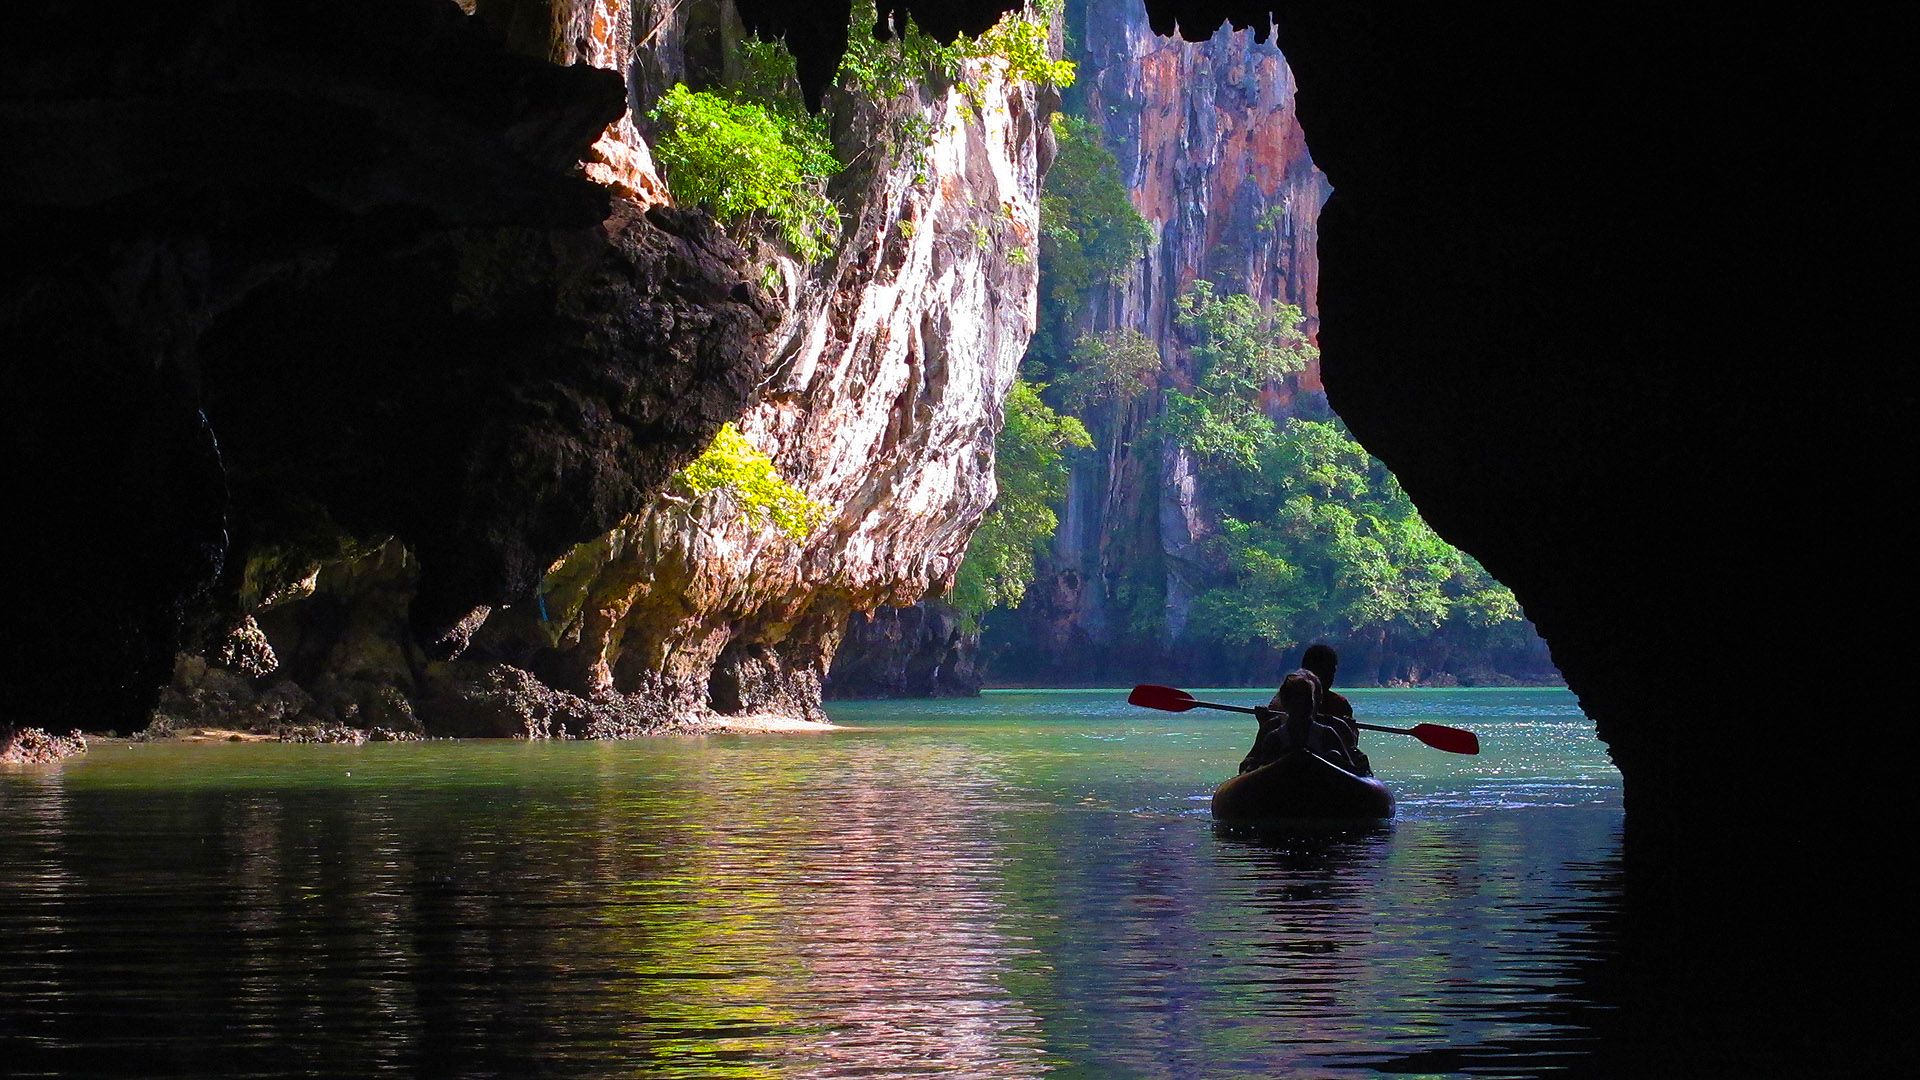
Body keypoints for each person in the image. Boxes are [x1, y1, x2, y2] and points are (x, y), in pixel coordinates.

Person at [1237, 668, 1358, 774]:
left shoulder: (1328, 734)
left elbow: (1351, 769)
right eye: (1297, 700)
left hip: (1321, 791)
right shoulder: (1274, 737)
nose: (1302, 706)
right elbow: (1259, 772)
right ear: (1285, 703)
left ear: (1317, 701)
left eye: (1307, 700)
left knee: (1335, 755)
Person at [1301, 642, 1371, 775]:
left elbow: (1351, 746)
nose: (1329, 677)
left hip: (1330, 761)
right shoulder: (1285, 698)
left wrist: (1349, 729)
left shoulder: (1340, 704)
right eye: (1324, 671)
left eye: (1331, 672)